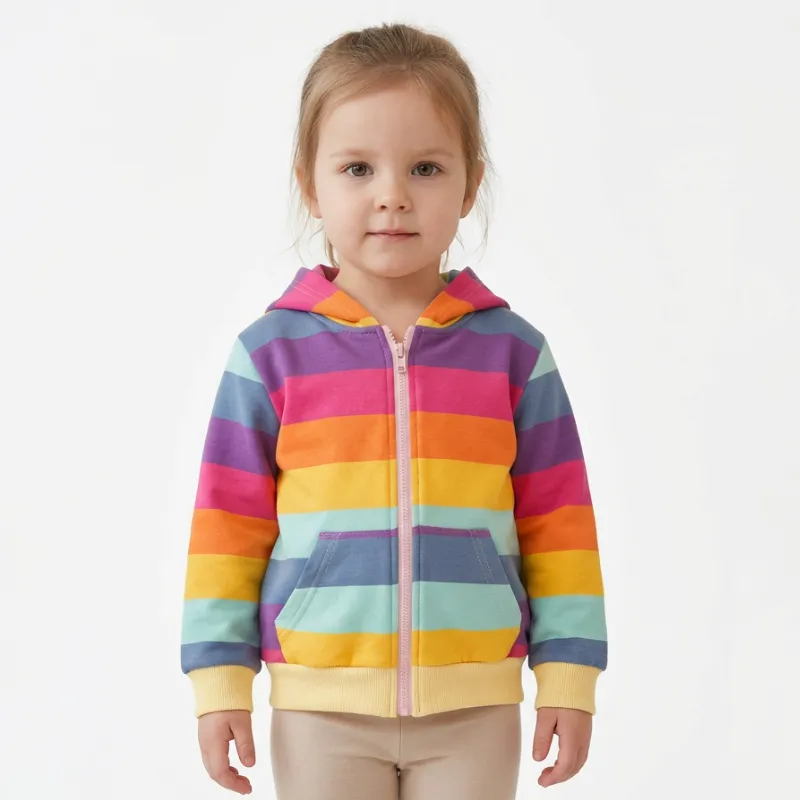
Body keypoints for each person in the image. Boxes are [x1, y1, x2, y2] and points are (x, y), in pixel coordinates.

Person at [180, 21, 608, 800]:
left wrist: (570, 676)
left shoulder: (514, 355)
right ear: (310, 184)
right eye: (358, 168)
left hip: (475, 703)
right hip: (319, 706)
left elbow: (561, 524)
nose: (393, 195)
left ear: (470, 185)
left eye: (425, 167)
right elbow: (226, 527)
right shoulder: (269, 356)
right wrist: (219, 683)